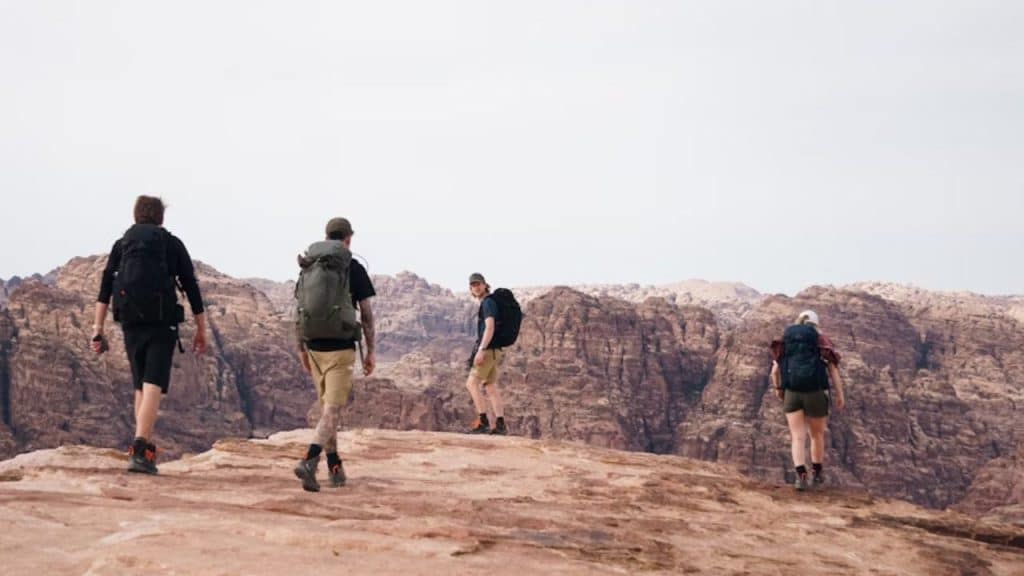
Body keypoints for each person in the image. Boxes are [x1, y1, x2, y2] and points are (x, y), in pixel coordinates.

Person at [91, 195, 207, 474]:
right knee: (154, 382)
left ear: (135, 216)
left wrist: (97, 328)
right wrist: (201, 328)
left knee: (140, 384)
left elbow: (106, 286)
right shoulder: (171, 244)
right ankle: (141, 447)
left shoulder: (122, 244)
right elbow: (191, 286)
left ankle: (142, 447)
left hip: (129, 320)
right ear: (161, 217)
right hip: (161, 320)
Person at [293, 217, 376, 492]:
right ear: (348, 239)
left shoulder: (309, 266)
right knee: (332, 410)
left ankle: (334, 465)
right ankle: (309, 460)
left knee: (327, 409)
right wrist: (371, 350)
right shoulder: (352, 267)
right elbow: (366, 314)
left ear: (326, 236)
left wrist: (300, 348)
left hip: (314, 346)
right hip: (340, 347)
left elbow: (299, 310)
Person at [770, 310, 846, 491]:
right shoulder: (821, 341)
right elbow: (833, 370)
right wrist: (840, 394)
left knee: (797, 437)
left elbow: (774, 371)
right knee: (816, 435)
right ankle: (817, 475)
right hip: (816, 391)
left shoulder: (787, 341)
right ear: (815, 324)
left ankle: (800, 476)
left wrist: (779, 389)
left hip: (792, 393)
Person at [464, 272, 508, 435]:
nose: (475, 287)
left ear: (485, 285)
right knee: (490, 386)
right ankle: (500, 424)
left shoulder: (488, 303)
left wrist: (481, 350)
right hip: (495, 350)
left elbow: (490, 327)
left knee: (471, 383)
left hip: (488, 350)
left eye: (478, 284)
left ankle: (483, 422)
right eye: (472, 285)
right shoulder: (490, 301)